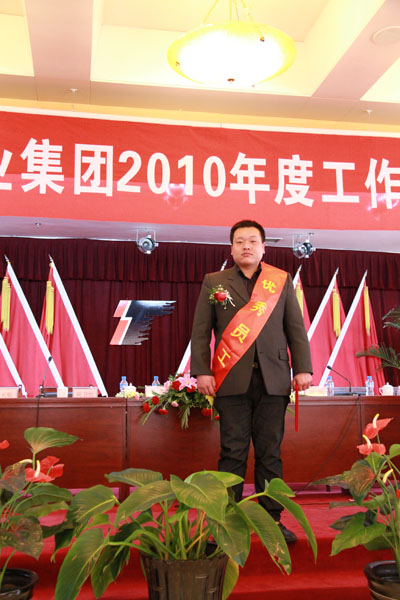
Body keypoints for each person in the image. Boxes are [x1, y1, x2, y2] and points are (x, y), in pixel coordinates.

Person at [190, 219, 312, 543]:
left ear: (263, 248)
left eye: (253, 241)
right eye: (240, 241)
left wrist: (303, 368)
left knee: (270, 452)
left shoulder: (280, 280)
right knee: (232, 451)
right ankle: (226, 521)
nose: (246, 246)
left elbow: (295, 328)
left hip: (274, 380)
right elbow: (201, 331)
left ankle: (272, 520)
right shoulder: (215, 282)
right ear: (231, 248)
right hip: (230, 379)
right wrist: (202, 371)